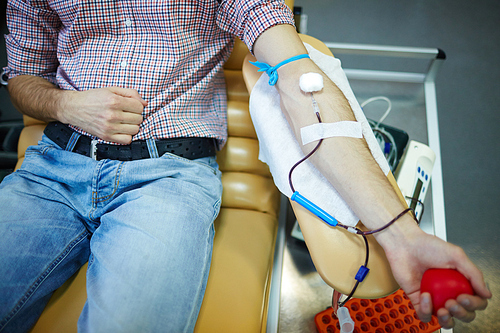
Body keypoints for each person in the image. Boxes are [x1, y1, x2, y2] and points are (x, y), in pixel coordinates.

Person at [0, 0, 491, 332]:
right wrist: (65, 106)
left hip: (165, 180)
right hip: (52, 166)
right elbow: (22, 77)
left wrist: (401, 233)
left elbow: (302, 81)